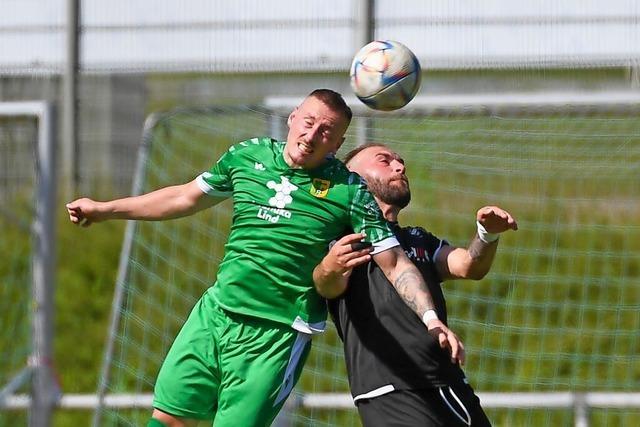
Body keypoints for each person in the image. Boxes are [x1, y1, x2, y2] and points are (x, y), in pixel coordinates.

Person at [66, 90, 464, 427]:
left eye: (326, 131)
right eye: (308, 121)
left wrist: (431, 319)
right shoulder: (247, 155)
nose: (312, 135)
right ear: (293, 119)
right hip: (216, 313)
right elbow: (183, 197)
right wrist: (105, 209)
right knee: (170, 418)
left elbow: (394, 262)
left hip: (276, 334)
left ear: (337, 145)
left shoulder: (350, 191)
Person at [313, 142, 518, 427]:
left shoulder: (417, 239)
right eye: (385, 161)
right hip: (391, 388)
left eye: (400, 162)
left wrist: (487, 235)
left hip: (450, 383)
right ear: (352, 176)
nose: (400, 167)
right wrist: (329, 267)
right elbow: (328, 286)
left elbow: (470, 266)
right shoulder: (343, 240)